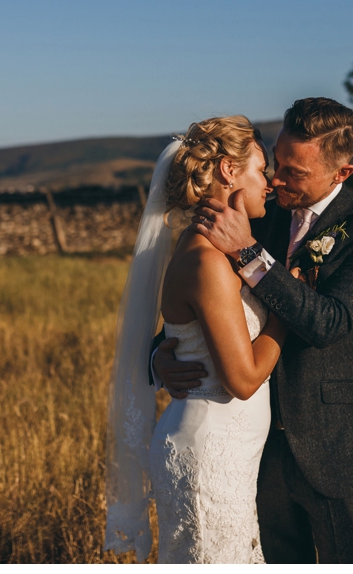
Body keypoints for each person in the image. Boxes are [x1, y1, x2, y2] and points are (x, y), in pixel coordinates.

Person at [152, 97, 353, 564]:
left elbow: (331, 324)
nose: (275, 180)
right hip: (256, 450)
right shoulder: (254, 211)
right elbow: (201, 303)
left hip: (336, 442)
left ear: (341, 174)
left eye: (294, 173)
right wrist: (162, 356)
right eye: (276, 162)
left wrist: (252, 255)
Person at [104, 116, 290, 564]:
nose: (269, 183)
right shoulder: (207, 261)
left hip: (229, 454)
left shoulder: (218, 248)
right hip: (209, 453)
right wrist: (286, 315)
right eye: (261, 170)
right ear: (229, 171)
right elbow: (243, 380)